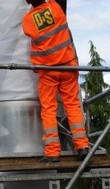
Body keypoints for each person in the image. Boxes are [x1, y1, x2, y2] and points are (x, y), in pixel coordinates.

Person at [22, 0, 90, 162]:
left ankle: (52, 152)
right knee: (72, 106)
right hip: (68, 67)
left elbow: (33, 32)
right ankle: (82, 147)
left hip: (48, 71)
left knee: (49, 109)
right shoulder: (56, 7)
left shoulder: (28, 20)